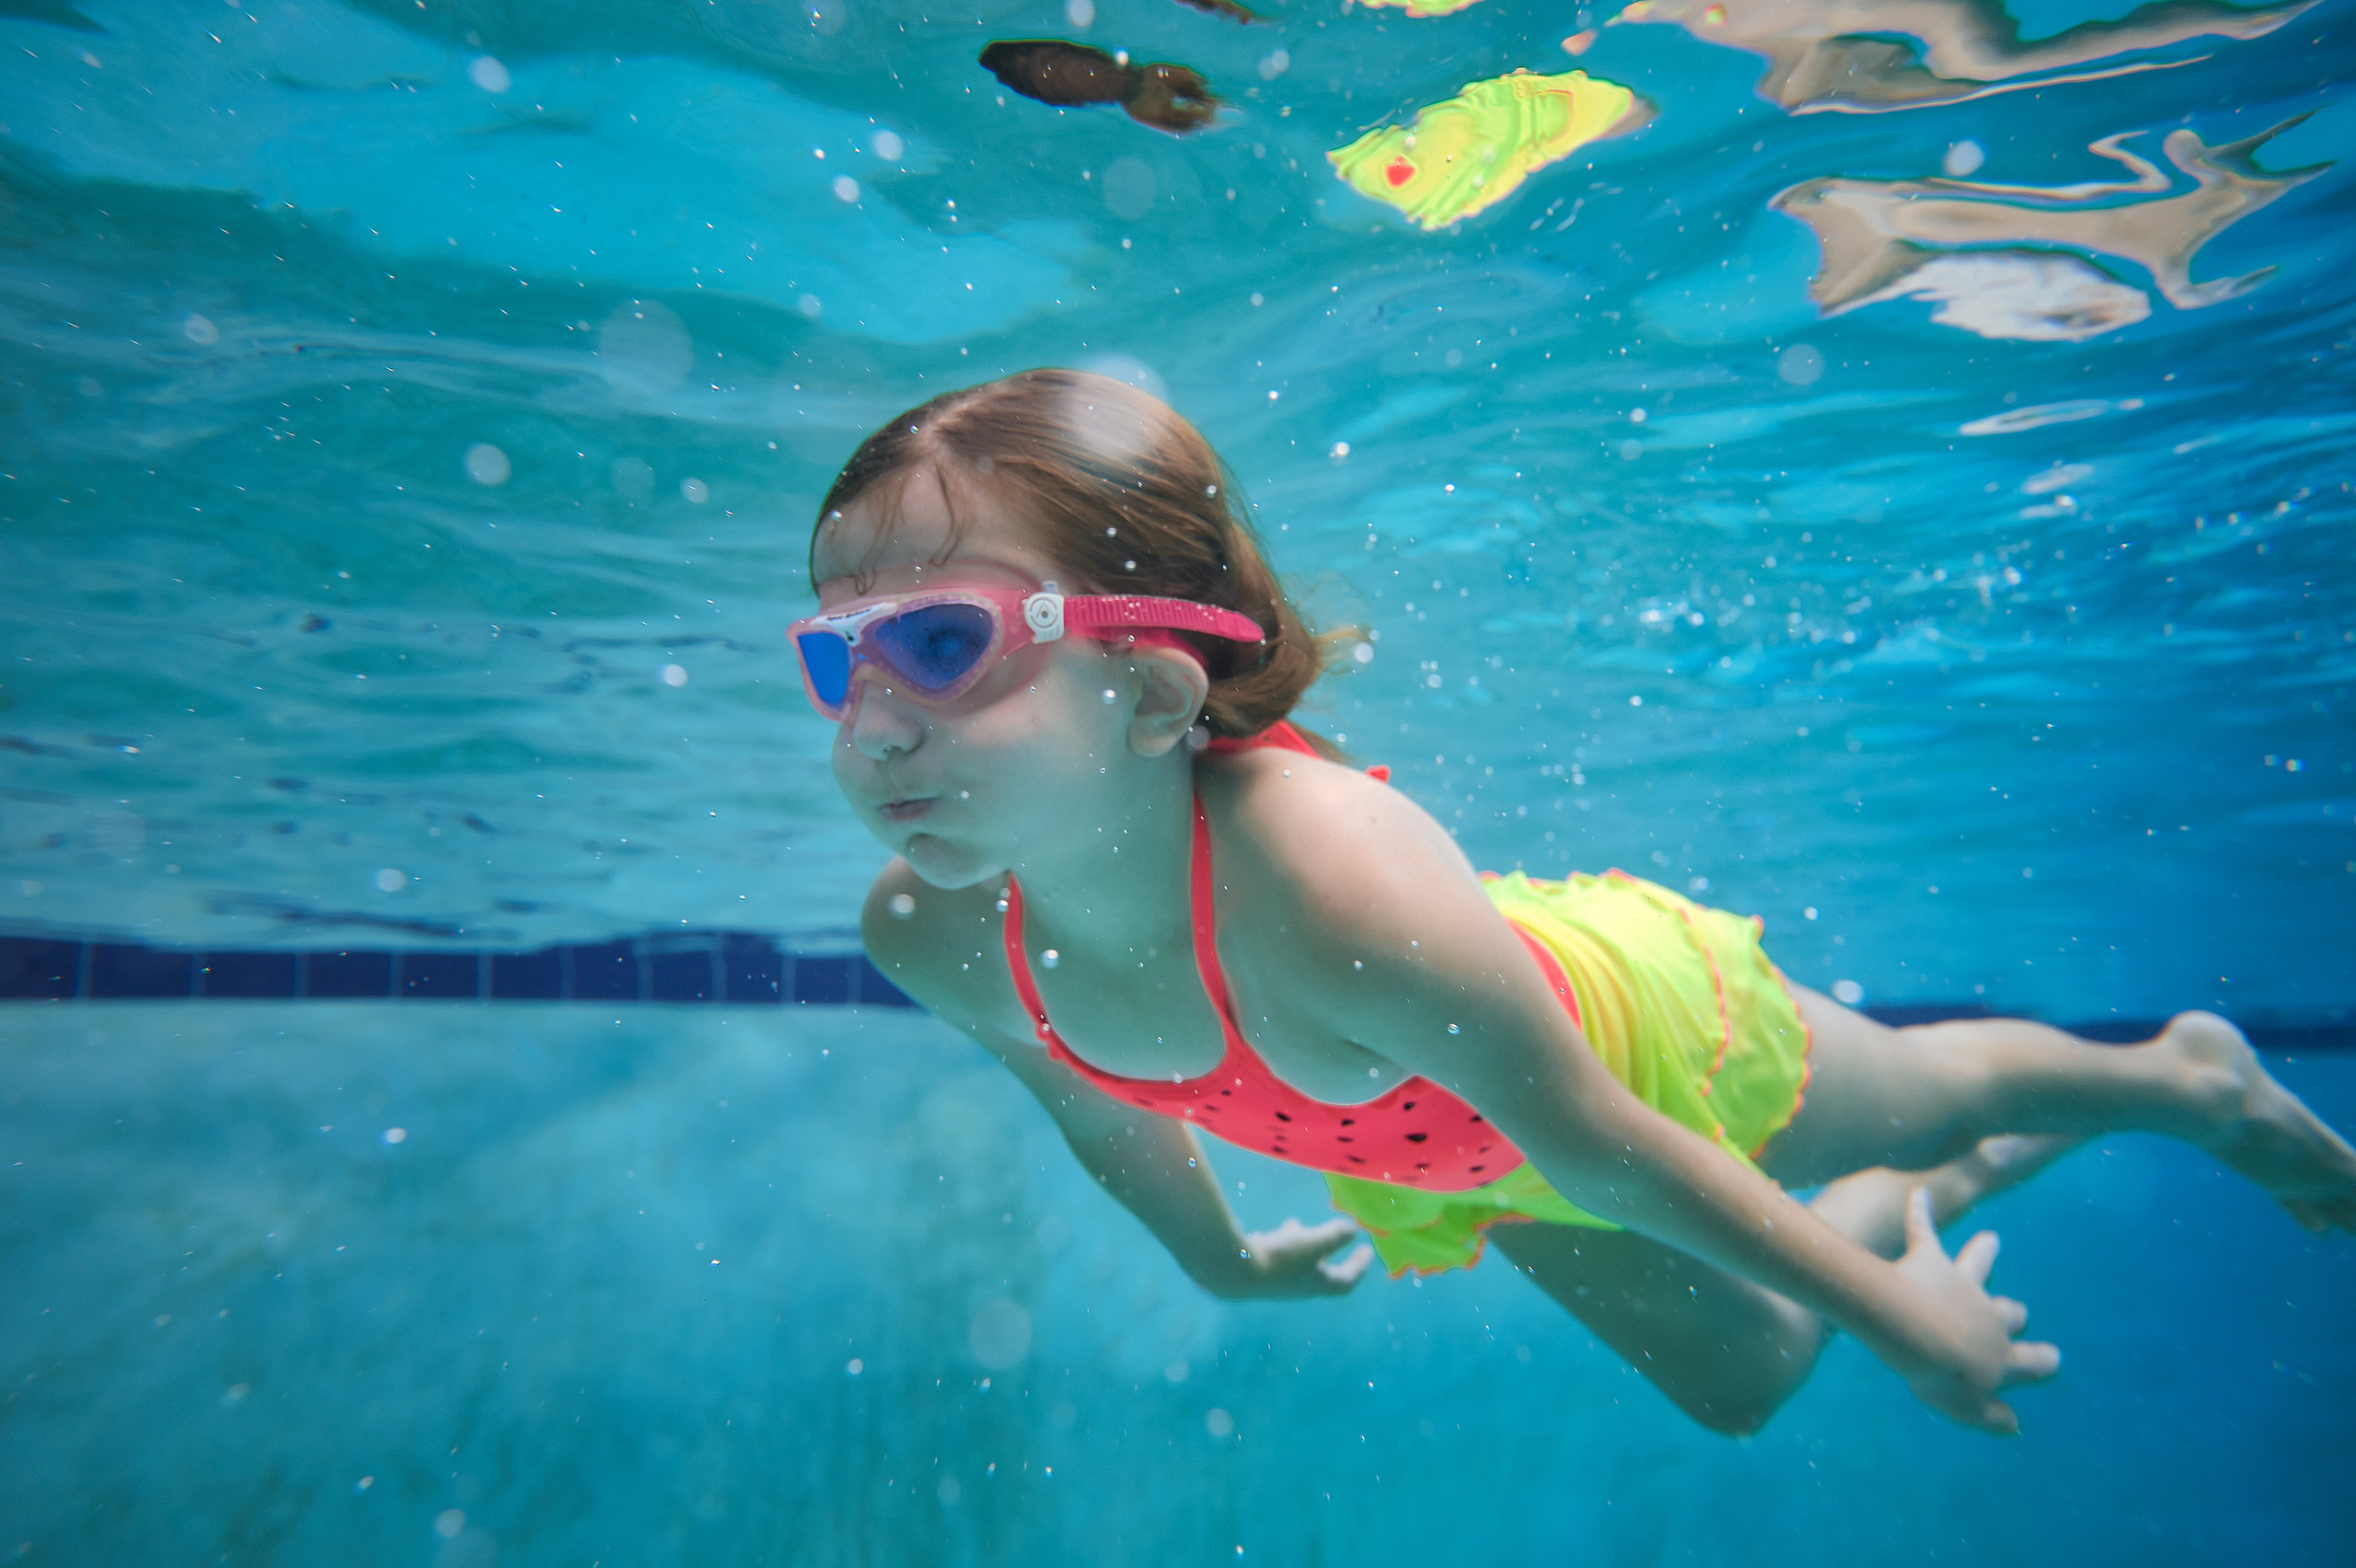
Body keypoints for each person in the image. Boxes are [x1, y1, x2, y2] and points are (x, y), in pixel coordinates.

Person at [791, 368, 2355, 1436]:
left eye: (937, 645)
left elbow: (1608, 1140)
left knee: (1927, 1099)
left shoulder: (1333, 884)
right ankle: (1912, 1229)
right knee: (1743, 1387)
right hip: (1435, 1148)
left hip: (1619, 1040)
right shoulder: (930, 931)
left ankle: (2181, 1079)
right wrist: (1214, 1259)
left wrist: (1902, 1326)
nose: (868, 723)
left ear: (1146, 692)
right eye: (835, 654)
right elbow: (1106, 1111)